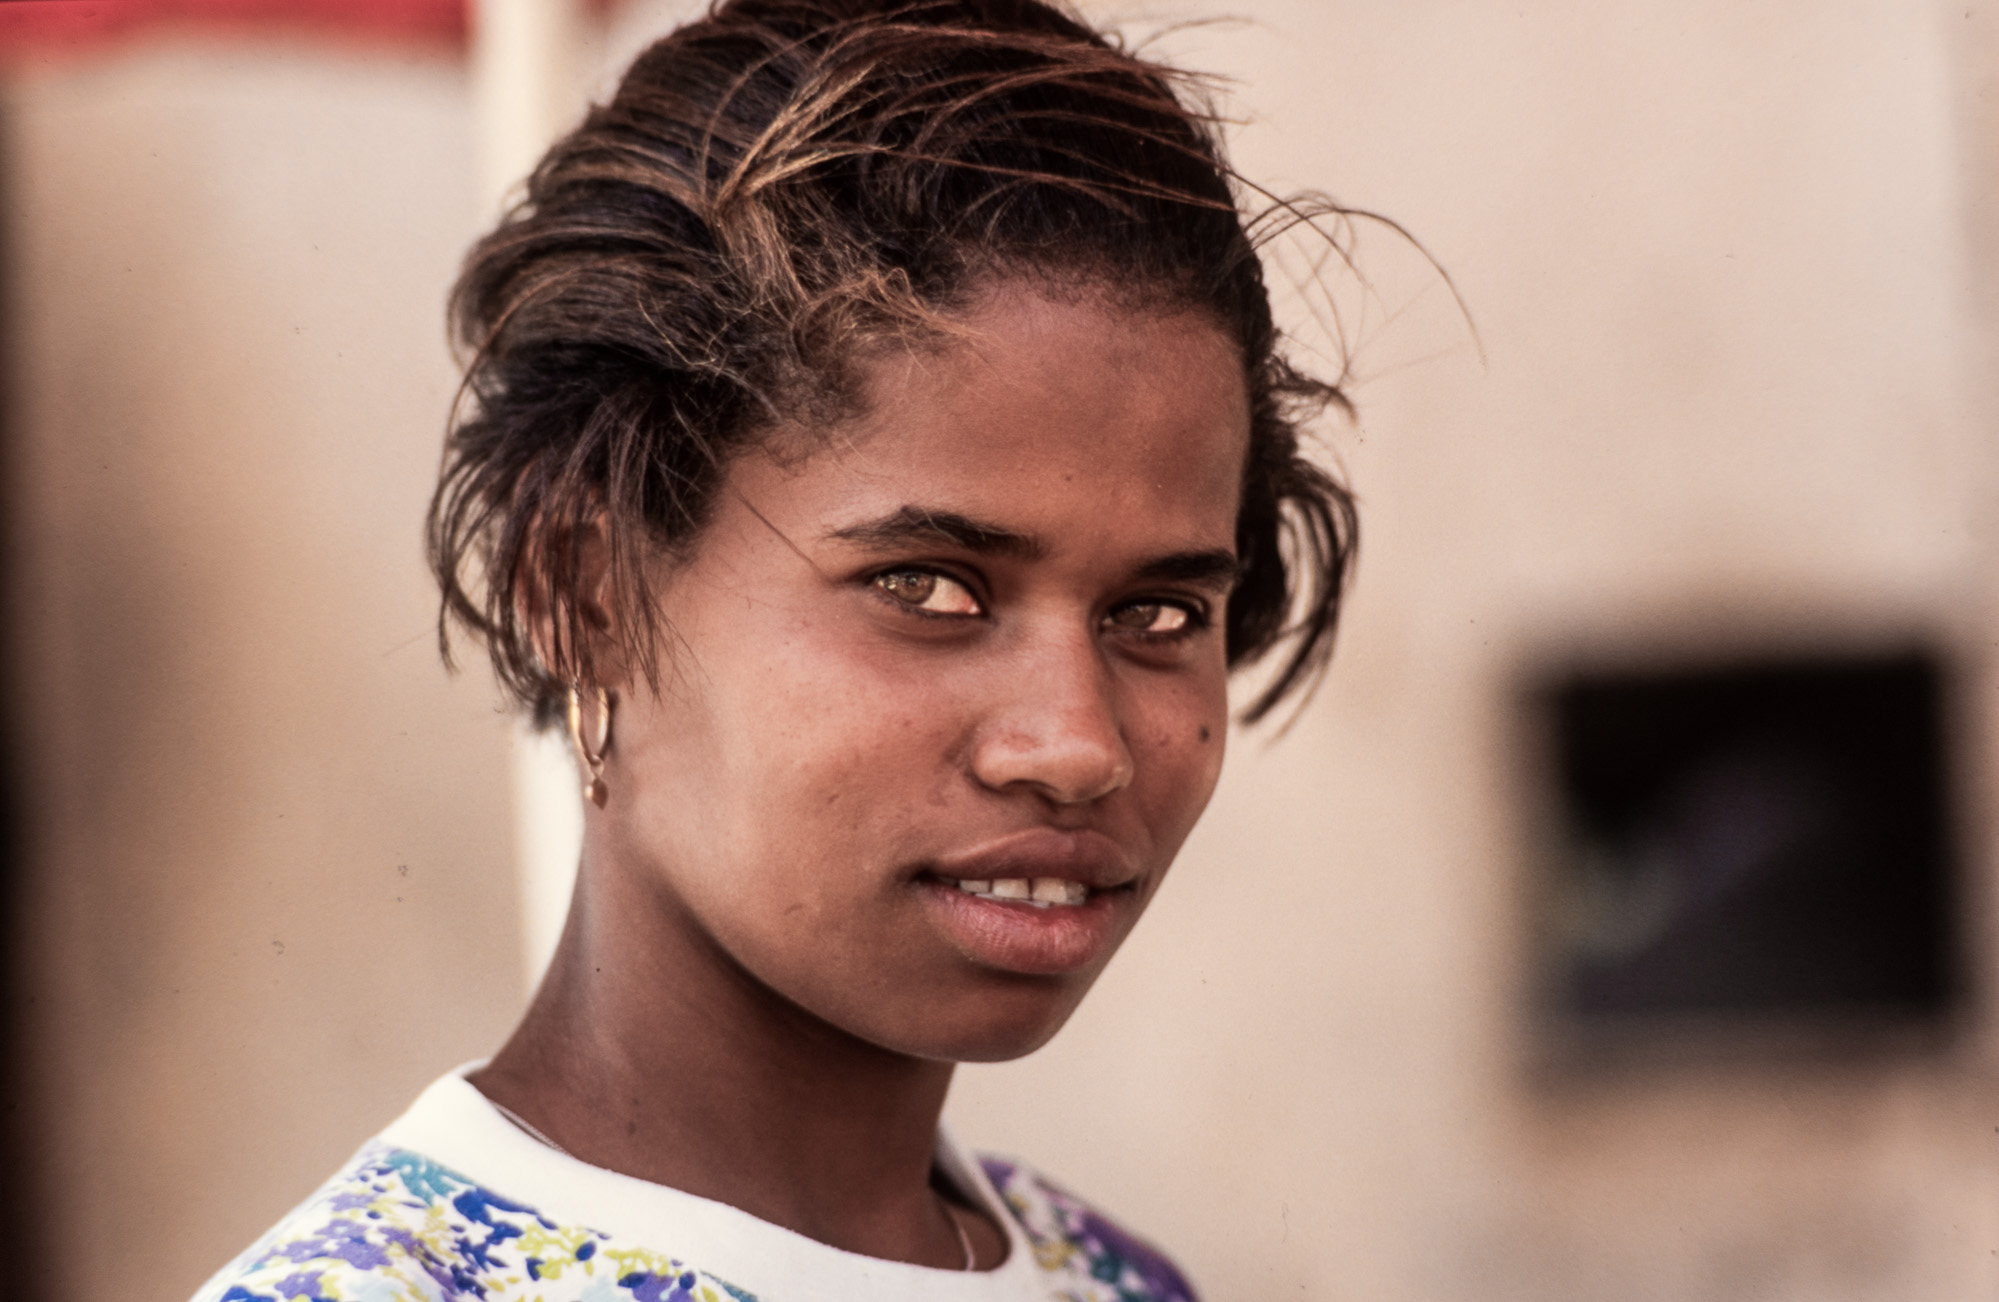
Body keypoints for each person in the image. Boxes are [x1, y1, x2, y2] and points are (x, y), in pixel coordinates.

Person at [192, 0, 1357, 1298]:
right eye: (928, 586)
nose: (1077, 744)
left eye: (1157, 613)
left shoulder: (1117, 1279)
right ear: (580, 593)